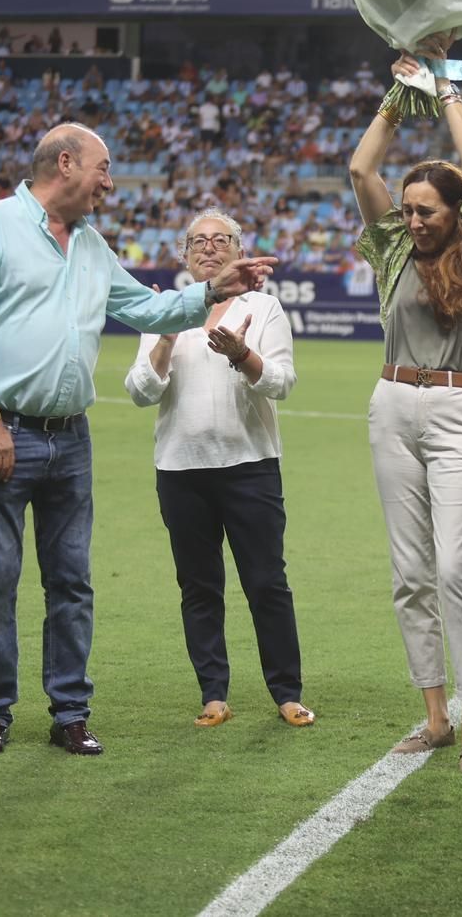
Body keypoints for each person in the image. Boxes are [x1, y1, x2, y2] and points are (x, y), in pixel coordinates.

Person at [0, 123, 276, 759]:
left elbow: (142, 310)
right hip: (3, 431)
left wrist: (213, 292)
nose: (110, 182)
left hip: (71, 440)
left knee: (72, 582)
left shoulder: (90, 244)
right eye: (103, 168)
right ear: (65, 164)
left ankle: (70, 713)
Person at [349, 37, 462, 770]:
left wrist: (444, 85)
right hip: (391, 406)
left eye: (427, 210)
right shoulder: (393, 247)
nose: (414, 219)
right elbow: (363, 167)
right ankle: (433, 716)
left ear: (456, 211)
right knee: (410, 573)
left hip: (461, 414)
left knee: (456, 571)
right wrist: (399, 94)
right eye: (411, 209)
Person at [123, 210, 312, 730]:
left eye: (220, 239)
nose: (209, 248)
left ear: (238, 250)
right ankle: (213, 694)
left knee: (267, 583)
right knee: (199, 587)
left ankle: (287, 692)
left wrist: (241, 354)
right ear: (184, 254)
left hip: (251, 466)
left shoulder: (264, 307)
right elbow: (140, 391)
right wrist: (166, 334)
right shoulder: (165, 309)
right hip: (181, 469)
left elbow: (281, 382)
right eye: (198, 241)